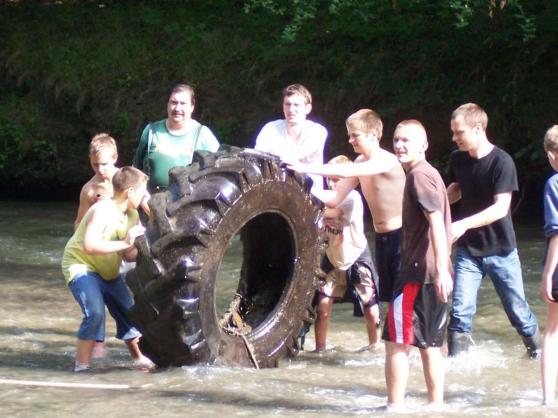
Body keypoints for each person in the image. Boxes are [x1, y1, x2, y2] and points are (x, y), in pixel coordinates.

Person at [446, 103, 540, 358]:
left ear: (478, 129)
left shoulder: (502, 161)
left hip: (502, 250)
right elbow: (458, 188)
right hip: (468, 250)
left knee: (517, 311)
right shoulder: (458, 159)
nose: (454, 138)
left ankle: (538, 357)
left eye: (459, 132)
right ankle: (455, 371)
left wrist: (463, 223)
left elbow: (501, 208)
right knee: (460, 311)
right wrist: (437, 205)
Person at [289, 109, 406, 303]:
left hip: (402, 236)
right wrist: (296, 187)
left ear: (373, 135)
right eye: (349, 135)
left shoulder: (386, 160)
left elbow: (344, 171)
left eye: (355, 136)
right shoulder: (360, 161)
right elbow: (335, 197)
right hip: (382, 238)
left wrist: (303, 167)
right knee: (390, 300)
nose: (350, 140)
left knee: (401, 299)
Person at [383, 120, 453, 410]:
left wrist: (439, 268)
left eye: (406, 141)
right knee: (430, 345)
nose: (400, 145)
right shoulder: (430, 173)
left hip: (418, 273)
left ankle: (394, 407)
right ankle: (436, 406)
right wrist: (444, 269)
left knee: (396, 343)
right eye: (397, 140)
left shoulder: (418, 177)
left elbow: (436, 221)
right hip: (431, 273)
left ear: (424, 146)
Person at [61, 166, 154, 372]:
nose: (144, 197)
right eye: (142, 192)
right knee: (95, 313)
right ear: (130, 192)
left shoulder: (132, 216)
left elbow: (128, 254)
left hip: (108, 270)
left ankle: (140, 359)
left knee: (129, 312)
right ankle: (82, 368)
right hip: (81, 264)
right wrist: (125, 243)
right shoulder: (101, 210)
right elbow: (89, 246)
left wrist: (148, 248)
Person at [314, 155, 381, 352]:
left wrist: (310, 203)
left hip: (356, 256)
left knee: (370, 305)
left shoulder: (353, 198)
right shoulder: (324, 196)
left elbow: (333, 213)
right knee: (322, 306)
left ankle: (375, 346)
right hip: (332, 257)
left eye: (337, 180)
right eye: (329, 179)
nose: (332, 184)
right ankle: (320, 349)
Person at [133, 84, 220, 191]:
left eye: (183, 104)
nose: (177, 108)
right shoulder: (151, 131)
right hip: (150, 202)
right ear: (168, 104)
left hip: (187, 203)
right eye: (174, 102)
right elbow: (135, 171)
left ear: (192, 106)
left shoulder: (203, 135)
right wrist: (143, 199)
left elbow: (219, 172)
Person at [254, 84, 327, 194]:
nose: (291, 109)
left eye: (296, 105)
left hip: (309, 196)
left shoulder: (317, 131)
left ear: (308, 108)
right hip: (274, 191)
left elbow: (293, 159)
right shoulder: (270, 128)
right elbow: (257, 157)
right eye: (287, 104)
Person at [540, 125, 558, 405]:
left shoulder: (554, 183)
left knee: (553, 332)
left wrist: (547, 272)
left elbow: (557, 233)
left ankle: (546, 400)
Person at [74, 133, 119, 229]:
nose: (100, 169)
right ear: (90, 158)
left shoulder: (128, 178)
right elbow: (79, 223)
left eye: (104, 164)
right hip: (103, 239)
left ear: (115, 158)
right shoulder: (89, 190)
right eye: (95, 164)